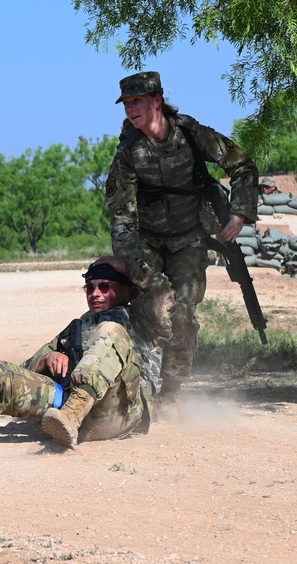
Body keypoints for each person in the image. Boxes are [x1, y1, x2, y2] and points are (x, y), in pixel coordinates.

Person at [0, 256, 173, 453]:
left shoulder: (144, 317)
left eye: (105, 287)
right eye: (90, 287)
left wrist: (124, 264)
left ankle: (72, 416)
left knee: (110, 330)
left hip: (123, 409)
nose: (95, 294)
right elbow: (23, 370)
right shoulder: (77, 327)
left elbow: (166, 292)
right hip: (70, 417)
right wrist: (45, 361)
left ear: (127, 290)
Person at [105, 71, 258, 409]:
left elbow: (243, 165)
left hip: (189, 238)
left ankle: (172, 392)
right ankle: (133, 383)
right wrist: (142, 272)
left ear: (157, 100)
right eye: (126, 104)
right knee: (155, 307)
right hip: (145, 240)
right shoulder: (129, 151)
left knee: (184, 313)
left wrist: (239, 213)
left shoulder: (191, 134)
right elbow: (122, 218)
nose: (131, 109)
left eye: (137, 102)